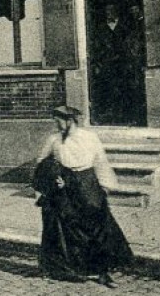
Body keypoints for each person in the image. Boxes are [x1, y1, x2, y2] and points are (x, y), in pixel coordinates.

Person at [32, 104, 134, 286]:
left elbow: (100, 161)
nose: (57, 126)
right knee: (63, 228)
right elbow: (42, 162)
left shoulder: (89, 138)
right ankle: (61, 269)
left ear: (70, 121)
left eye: (59, 122)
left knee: (97, 227)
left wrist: (105, 186)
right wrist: (52, 180)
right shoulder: (54, 140)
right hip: (63, 188)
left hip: (87, 185)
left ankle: (102, 271)